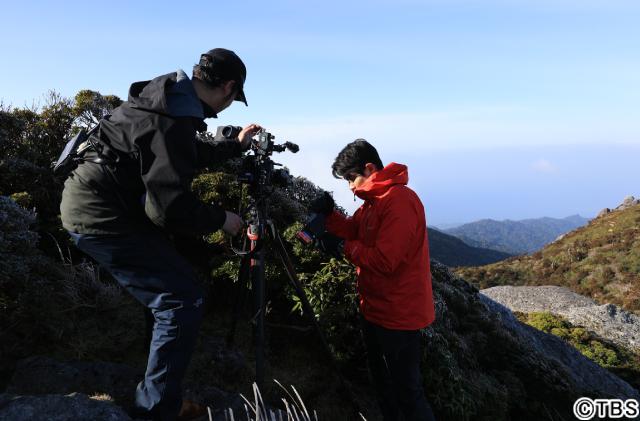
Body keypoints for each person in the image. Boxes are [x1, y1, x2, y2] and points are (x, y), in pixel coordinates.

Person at [60, 48, 261, 421]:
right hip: (102, 215)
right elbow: (167, 209)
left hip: (106, 204)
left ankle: (162, 394)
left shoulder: (166, 98)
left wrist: (234, 146)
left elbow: (183, 151)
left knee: (177, 286)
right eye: (236, 98)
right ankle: (156, 410)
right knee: (181, 298)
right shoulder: (172, 117)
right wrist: (222, 220)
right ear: (229, 87)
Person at [311, 139, 437, 421]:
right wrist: (329, 215)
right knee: (382, 384)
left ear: (370, 168)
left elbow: (385, 261)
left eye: (351, 178)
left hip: (400, 316)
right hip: (375, 309)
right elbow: (352, 230)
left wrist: (342, 248)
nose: (351, 187)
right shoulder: (373, 203)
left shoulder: (400, 201)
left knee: (408, 393)